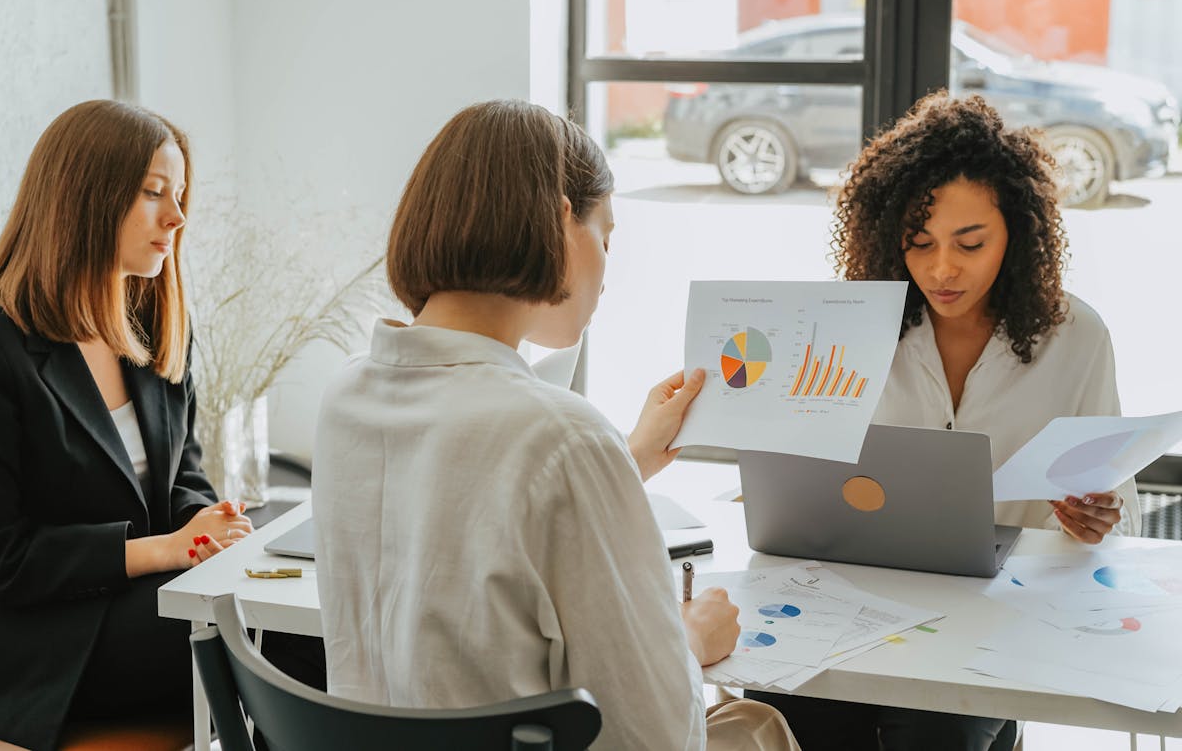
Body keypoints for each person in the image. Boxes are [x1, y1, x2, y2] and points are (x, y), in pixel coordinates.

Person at [312, 100, 799, 751]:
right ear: (561, 221)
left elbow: (473, 510)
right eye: (607, 234)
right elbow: (655, 732)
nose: (608, 266)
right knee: (756, 725)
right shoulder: (561, 437)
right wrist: (689, 633)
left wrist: (625, 459)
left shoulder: (345, 396)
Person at [748, 92, 1141, 750]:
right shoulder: (849, 326)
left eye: (970, 242)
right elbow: (798, 481)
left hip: (994, 623)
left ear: (1017, 232)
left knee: (932, 736)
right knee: (783, 717)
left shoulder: (1077, 337)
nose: (942, 267)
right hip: (851, 604)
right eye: (919, 242)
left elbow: (1113, 506)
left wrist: (1095, 517)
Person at [0, 100, 253, 750]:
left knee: (307, 629)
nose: (177, 217)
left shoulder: (153, 330)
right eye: (154, 192)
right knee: (287, 644)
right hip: (33, 650)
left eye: (180, 194)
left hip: (141, 612)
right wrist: (160, 550)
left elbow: (181, 474)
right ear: (86, 197)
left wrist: (212, 529)